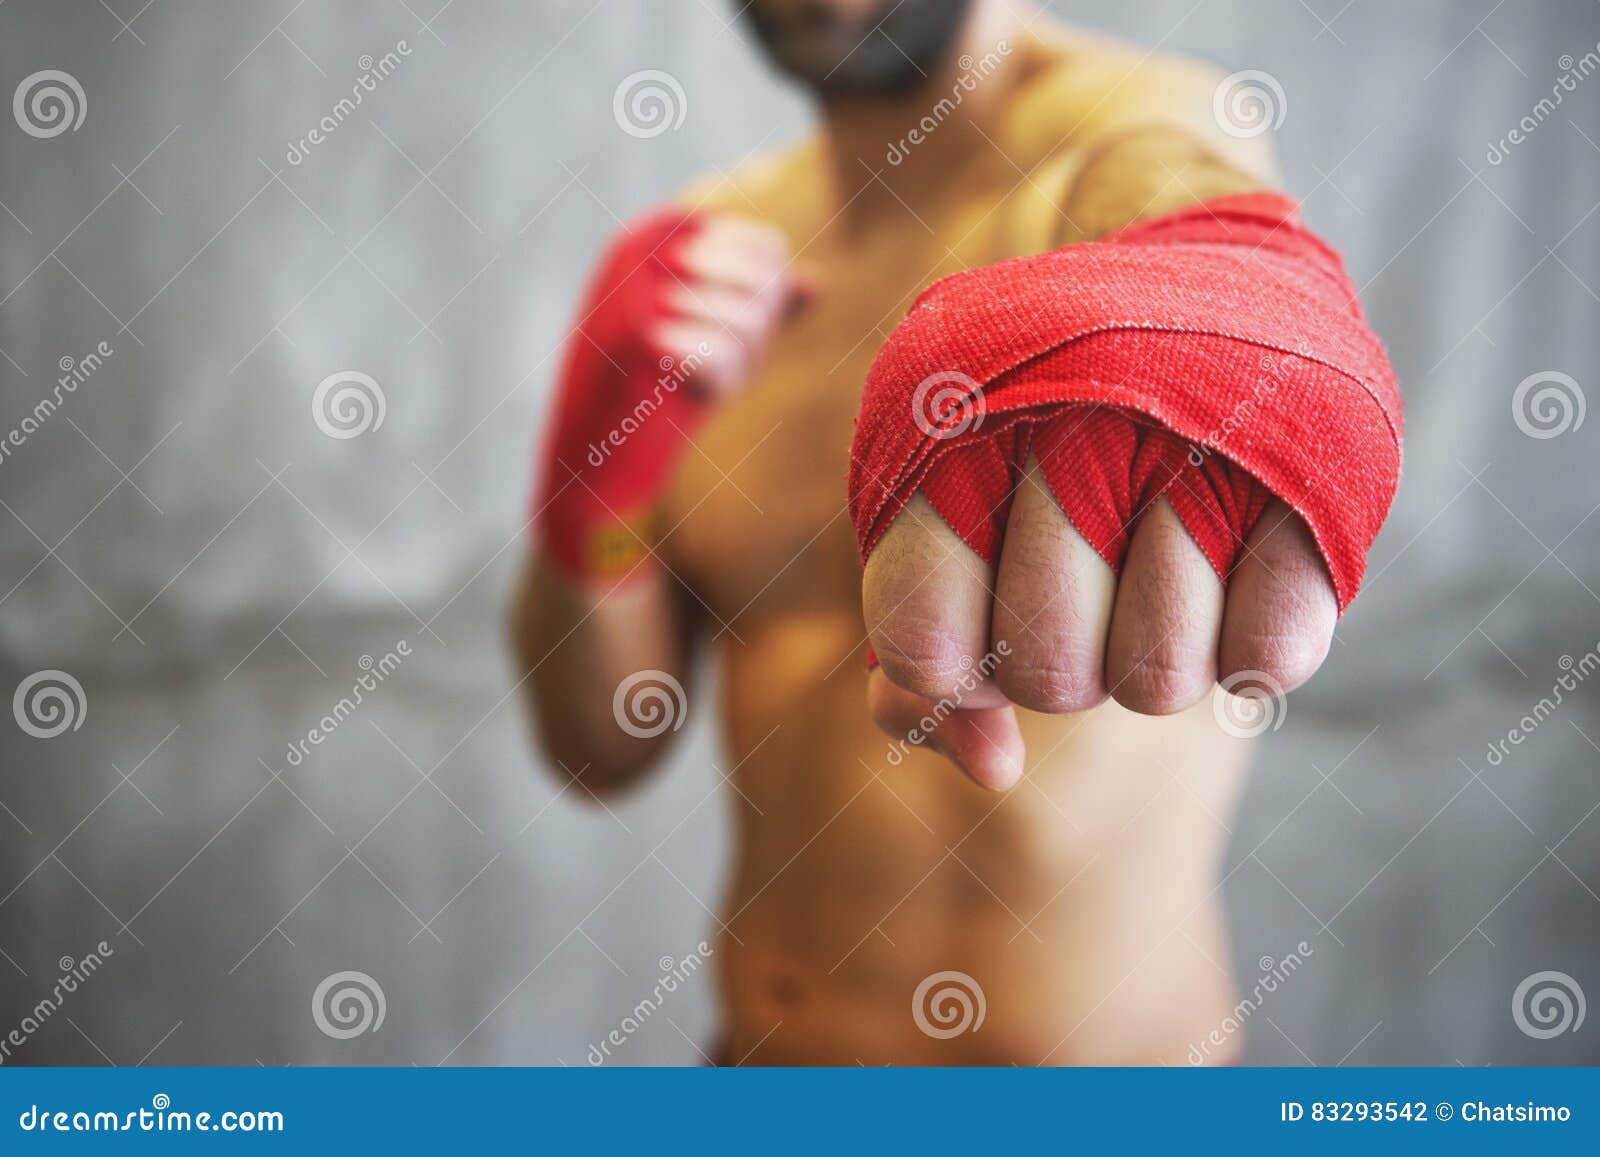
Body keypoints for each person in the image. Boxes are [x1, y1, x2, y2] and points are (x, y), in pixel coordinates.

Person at [512, 0, 1399, 1064]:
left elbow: (1192, 199)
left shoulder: (1121, 137)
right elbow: (600, 744)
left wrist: (1224, 293)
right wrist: (593, 495)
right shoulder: (710, 261)